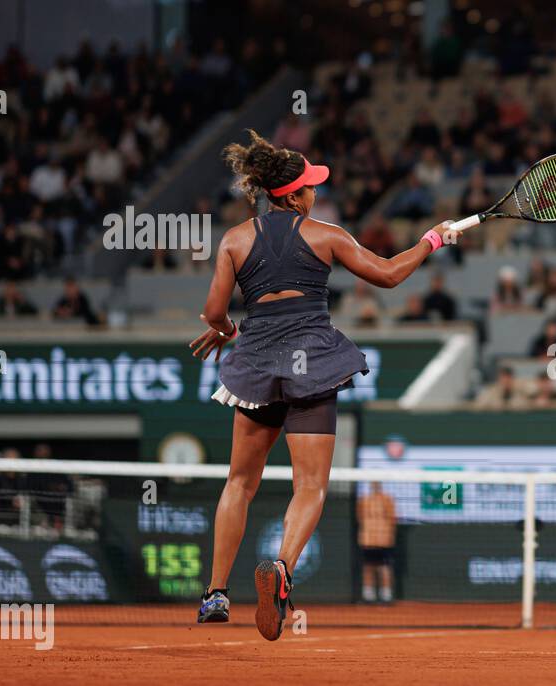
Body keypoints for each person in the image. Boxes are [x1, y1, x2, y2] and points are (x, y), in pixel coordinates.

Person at [189, 129, 461, 640]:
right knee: (309, 486)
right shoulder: (326, 234)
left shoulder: (234, 240)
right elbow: (386, 275)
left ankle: (215, 594)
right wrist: (432, 239)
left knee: (239, 482)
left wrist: (223, 330)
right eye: (310, 185)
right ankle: (284, 569)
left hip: (257, 361)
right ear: (293, 195)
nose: (315, 191)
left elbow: (213, 313)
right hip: (311, 361)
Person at [357, 483, 398, 604]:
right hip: (368, 540)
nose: (374, 485)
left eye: (377, 483)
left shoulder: (387, 499)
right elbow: (360, 517)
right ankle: (368, 595)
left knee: (383, 567)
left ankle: (386, 595)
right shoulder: (364, 500)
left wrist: (387, 535)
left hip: (383, 540)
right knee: (368, 567)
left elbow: (392, 518)